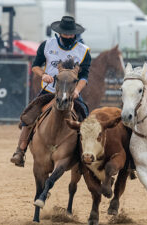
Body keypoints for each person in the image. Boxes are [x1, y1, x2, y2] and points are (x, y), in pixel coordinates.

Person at [10, 16, 91, 167]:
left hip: (71, 93)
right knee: (29, 115)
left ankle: (85, 153)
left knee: (85, 118)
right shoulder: (47, 45)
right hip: (49, 91)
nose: (67, 36)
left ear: (75, 34)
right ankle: (20, 151)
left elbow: (84, 76)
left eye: (70, 34)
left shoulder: (84, 51)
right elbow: (35, 66)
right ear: (59, 32)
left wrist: (77, 91)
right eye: (65, 33)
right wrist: (43, 75)